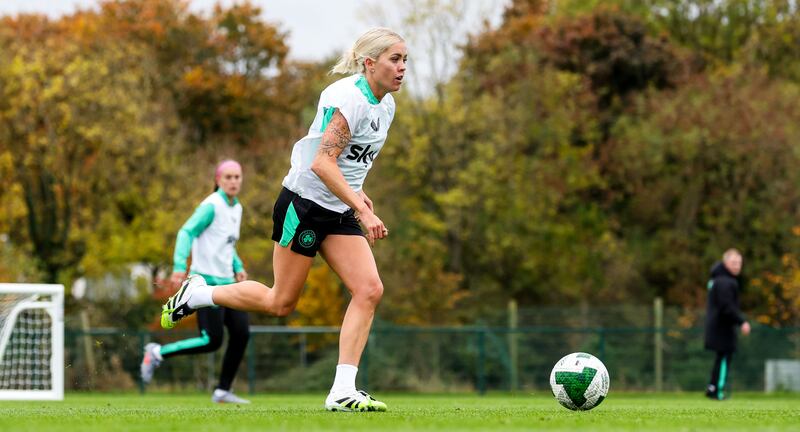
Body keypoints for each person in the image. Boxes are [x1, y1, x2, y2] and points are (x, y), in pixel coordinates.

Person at [159, 28, 407, 412]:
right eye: (395, 59)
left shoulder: (386, 105)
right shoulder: (350, 99)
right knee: (280, 303)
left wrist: (357, 194)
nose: (402, 67)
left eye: (405, 60)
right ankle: (198, 295)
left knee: (370, 289)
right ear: (369, 63)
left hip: (337, 209)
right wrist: (362, 209)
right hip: (304, 206)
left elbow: (348, 163)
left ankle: (342, 390)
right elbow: (322, 162)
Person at [141, 160, 251, 404]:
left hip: (228, 284)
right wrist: (180, 267)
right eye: (229, 177)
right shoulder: (211, 206)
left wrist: (238, 267)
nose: (234, 181)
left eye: (237, 177)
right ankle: (157, 352)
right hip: (207, 285)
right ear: (218, 180)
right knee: (211, 341)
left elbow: (227, 244)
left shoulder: (237, 208)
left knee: (242, 333)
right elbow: (186, 232)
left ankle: (223, 391)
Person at [704, 248, 751, 400]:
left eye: (739, 263)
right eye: (734, 262)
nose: (737, 266)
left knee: (720, 358)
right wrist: (741, 321)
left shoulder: (716, 279)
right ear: (725, 263)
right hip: (722, 327)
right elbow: (727, 307)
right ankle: (717, 391)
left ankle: (712, 388)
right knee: (724, 358)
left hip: (717, 326)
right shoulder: (725, 282)